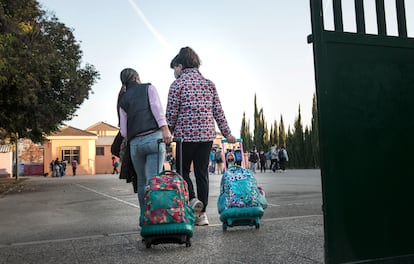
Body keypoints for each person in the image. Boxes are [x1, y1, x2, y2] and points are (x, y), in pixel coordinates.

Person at [167, 47, 236, 226]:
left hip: (185, 137)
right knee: (202, 173)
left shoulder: (177, 84)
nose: (174, 72)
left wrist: (167, 133)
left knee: (182, 171)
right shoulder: (209, 83)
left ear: (180, 65)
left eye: (174, 68)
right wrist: (227, 133)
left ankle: (192, 201)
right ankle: (202, 213)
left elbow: (171, 114)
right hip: (206, 136)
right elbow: (218, 111)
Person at [118, 68, 172, 218]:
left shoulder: (123, 99)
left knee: (141, 181)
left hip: (135, 144)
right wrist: (166, 130)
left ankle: (144, 217)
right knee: (153, 179)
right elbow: (157, 110)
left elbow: (123, 131)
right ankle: (156, 217)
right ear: (136, 77)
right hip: (154, 139)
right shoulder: (148, 88)